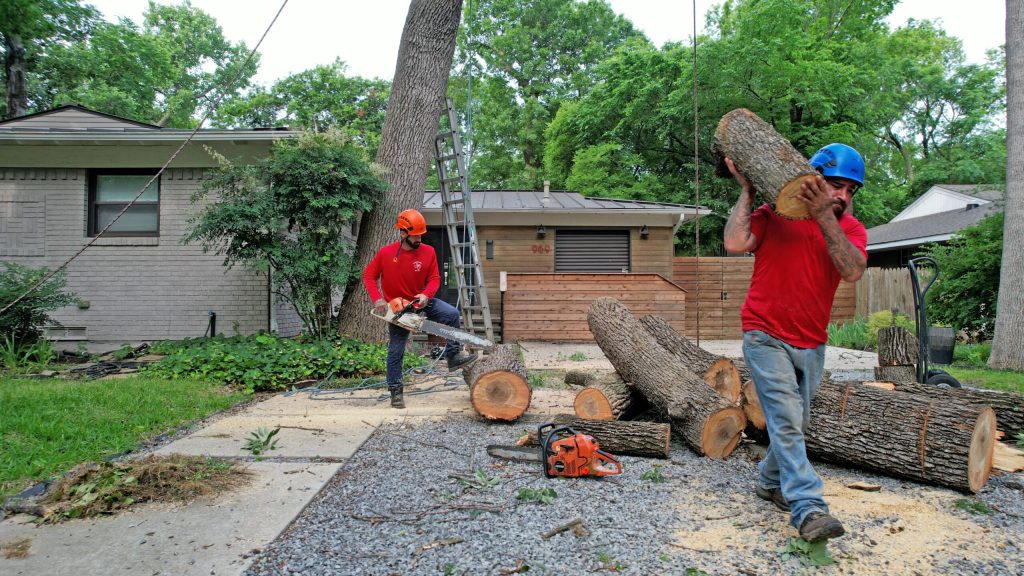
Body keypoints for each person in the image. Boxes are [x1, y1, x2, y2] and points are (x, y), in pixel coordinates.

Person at [722, 143, 868, 543]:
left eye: (850, 190)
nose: (841, 196)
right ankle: (807, 507)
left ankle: (768, 483)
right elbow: (735, 243)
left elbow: (852, 271)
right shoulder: (776, 216)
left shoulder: (849, 231)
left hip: (812, 342)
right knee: (787, 421)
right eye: (835, 185)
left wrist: (825, 216)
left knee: (797, 424)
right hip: (764, 333)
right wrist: (748, 193)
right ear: (813, 180)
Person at [363, 208, 478, 409]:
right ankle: (395, 390)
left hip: (421, 300)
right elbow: (369, 275)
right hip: (400, 308)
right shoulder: (386, 254)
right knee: (396, 349)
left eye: (420, 234)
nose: (418, 238)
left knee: (451, 314)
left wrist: (426, 295)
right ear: (403, 233)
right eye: (415, 234)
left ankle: (452, 355)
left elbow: (434, 278)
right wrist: (377, 298)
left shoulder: (428, 252)